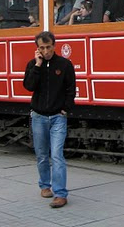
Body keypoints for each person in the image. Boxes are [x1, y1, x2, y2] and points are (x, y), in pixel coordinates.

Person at [23, 31, 76, 209]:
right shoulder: (32, 64)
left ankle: (60, 193)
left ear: (54, 45)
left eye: (48, 47)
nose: (46, 51)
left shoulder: (64, 64)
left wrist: (65, 109)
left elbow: (71, 89)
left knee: (57, 155)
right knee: (41, 155)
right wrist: (37, 66)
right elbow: (29, 86)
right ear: (37, 48)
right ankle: (45, 185)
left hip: (57, 117)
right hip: (38, 116)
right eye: (41, 48)